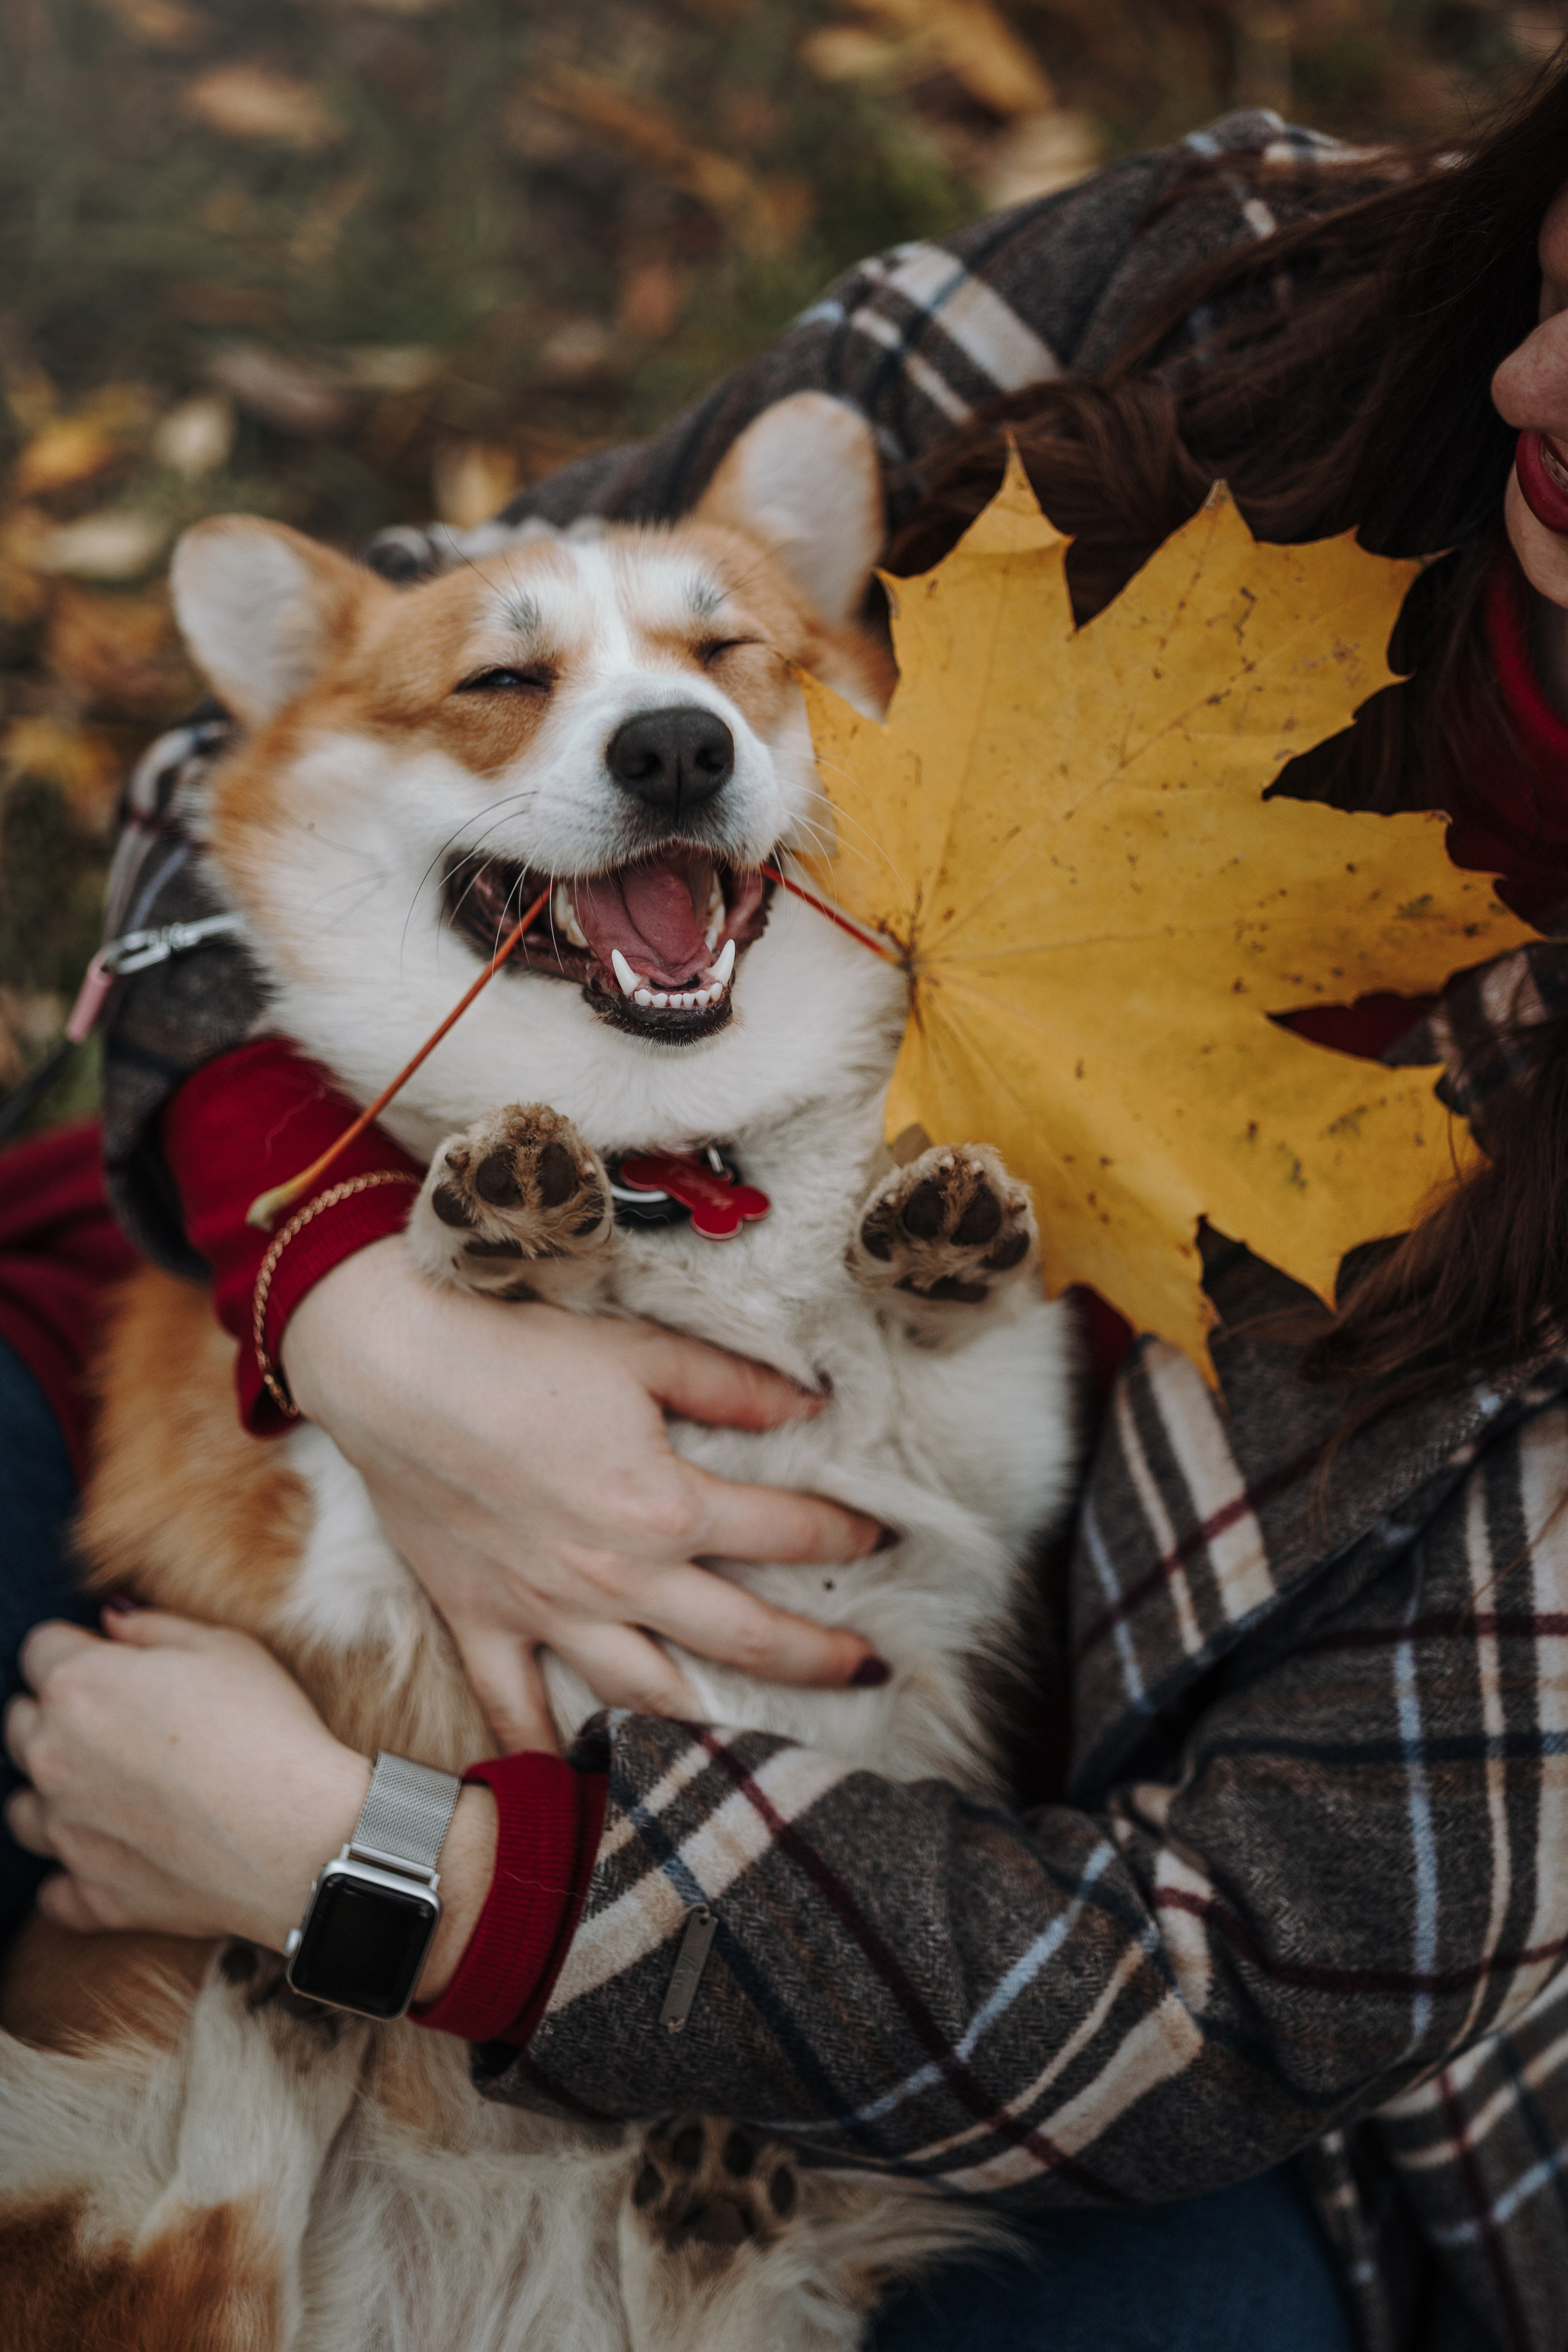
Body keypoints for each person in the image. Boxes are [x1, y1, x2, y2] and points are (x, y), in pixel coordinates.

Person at [7, 74, 1568, 2352]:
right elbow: (207, 822)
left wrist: (389, 1881)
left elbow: (1251, 1979)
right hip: (267, 1413)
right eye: (1554, 273)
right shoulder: (1240, 282)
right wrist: (344, 1289)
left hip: (1027, 1916)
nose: (1537, 381)